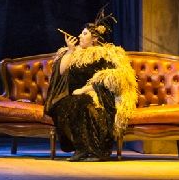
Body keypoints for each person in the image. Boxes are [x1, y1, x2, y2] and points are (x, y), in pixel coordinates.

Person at [43, 8, 137, 161]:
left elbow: (113, 78)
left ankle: (93, 151)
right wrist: (70, 51)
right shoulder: (72, 53)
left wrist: (85, 89)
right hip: (72, 96)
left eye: (84, 33)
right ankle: (83, 150)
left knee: (85, 104)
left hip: (98, 95)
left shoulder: (107, 54)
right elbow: (60, 72)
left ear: (94, 38)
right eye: (81, 33)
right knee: (66, 105)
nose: (80, 35)